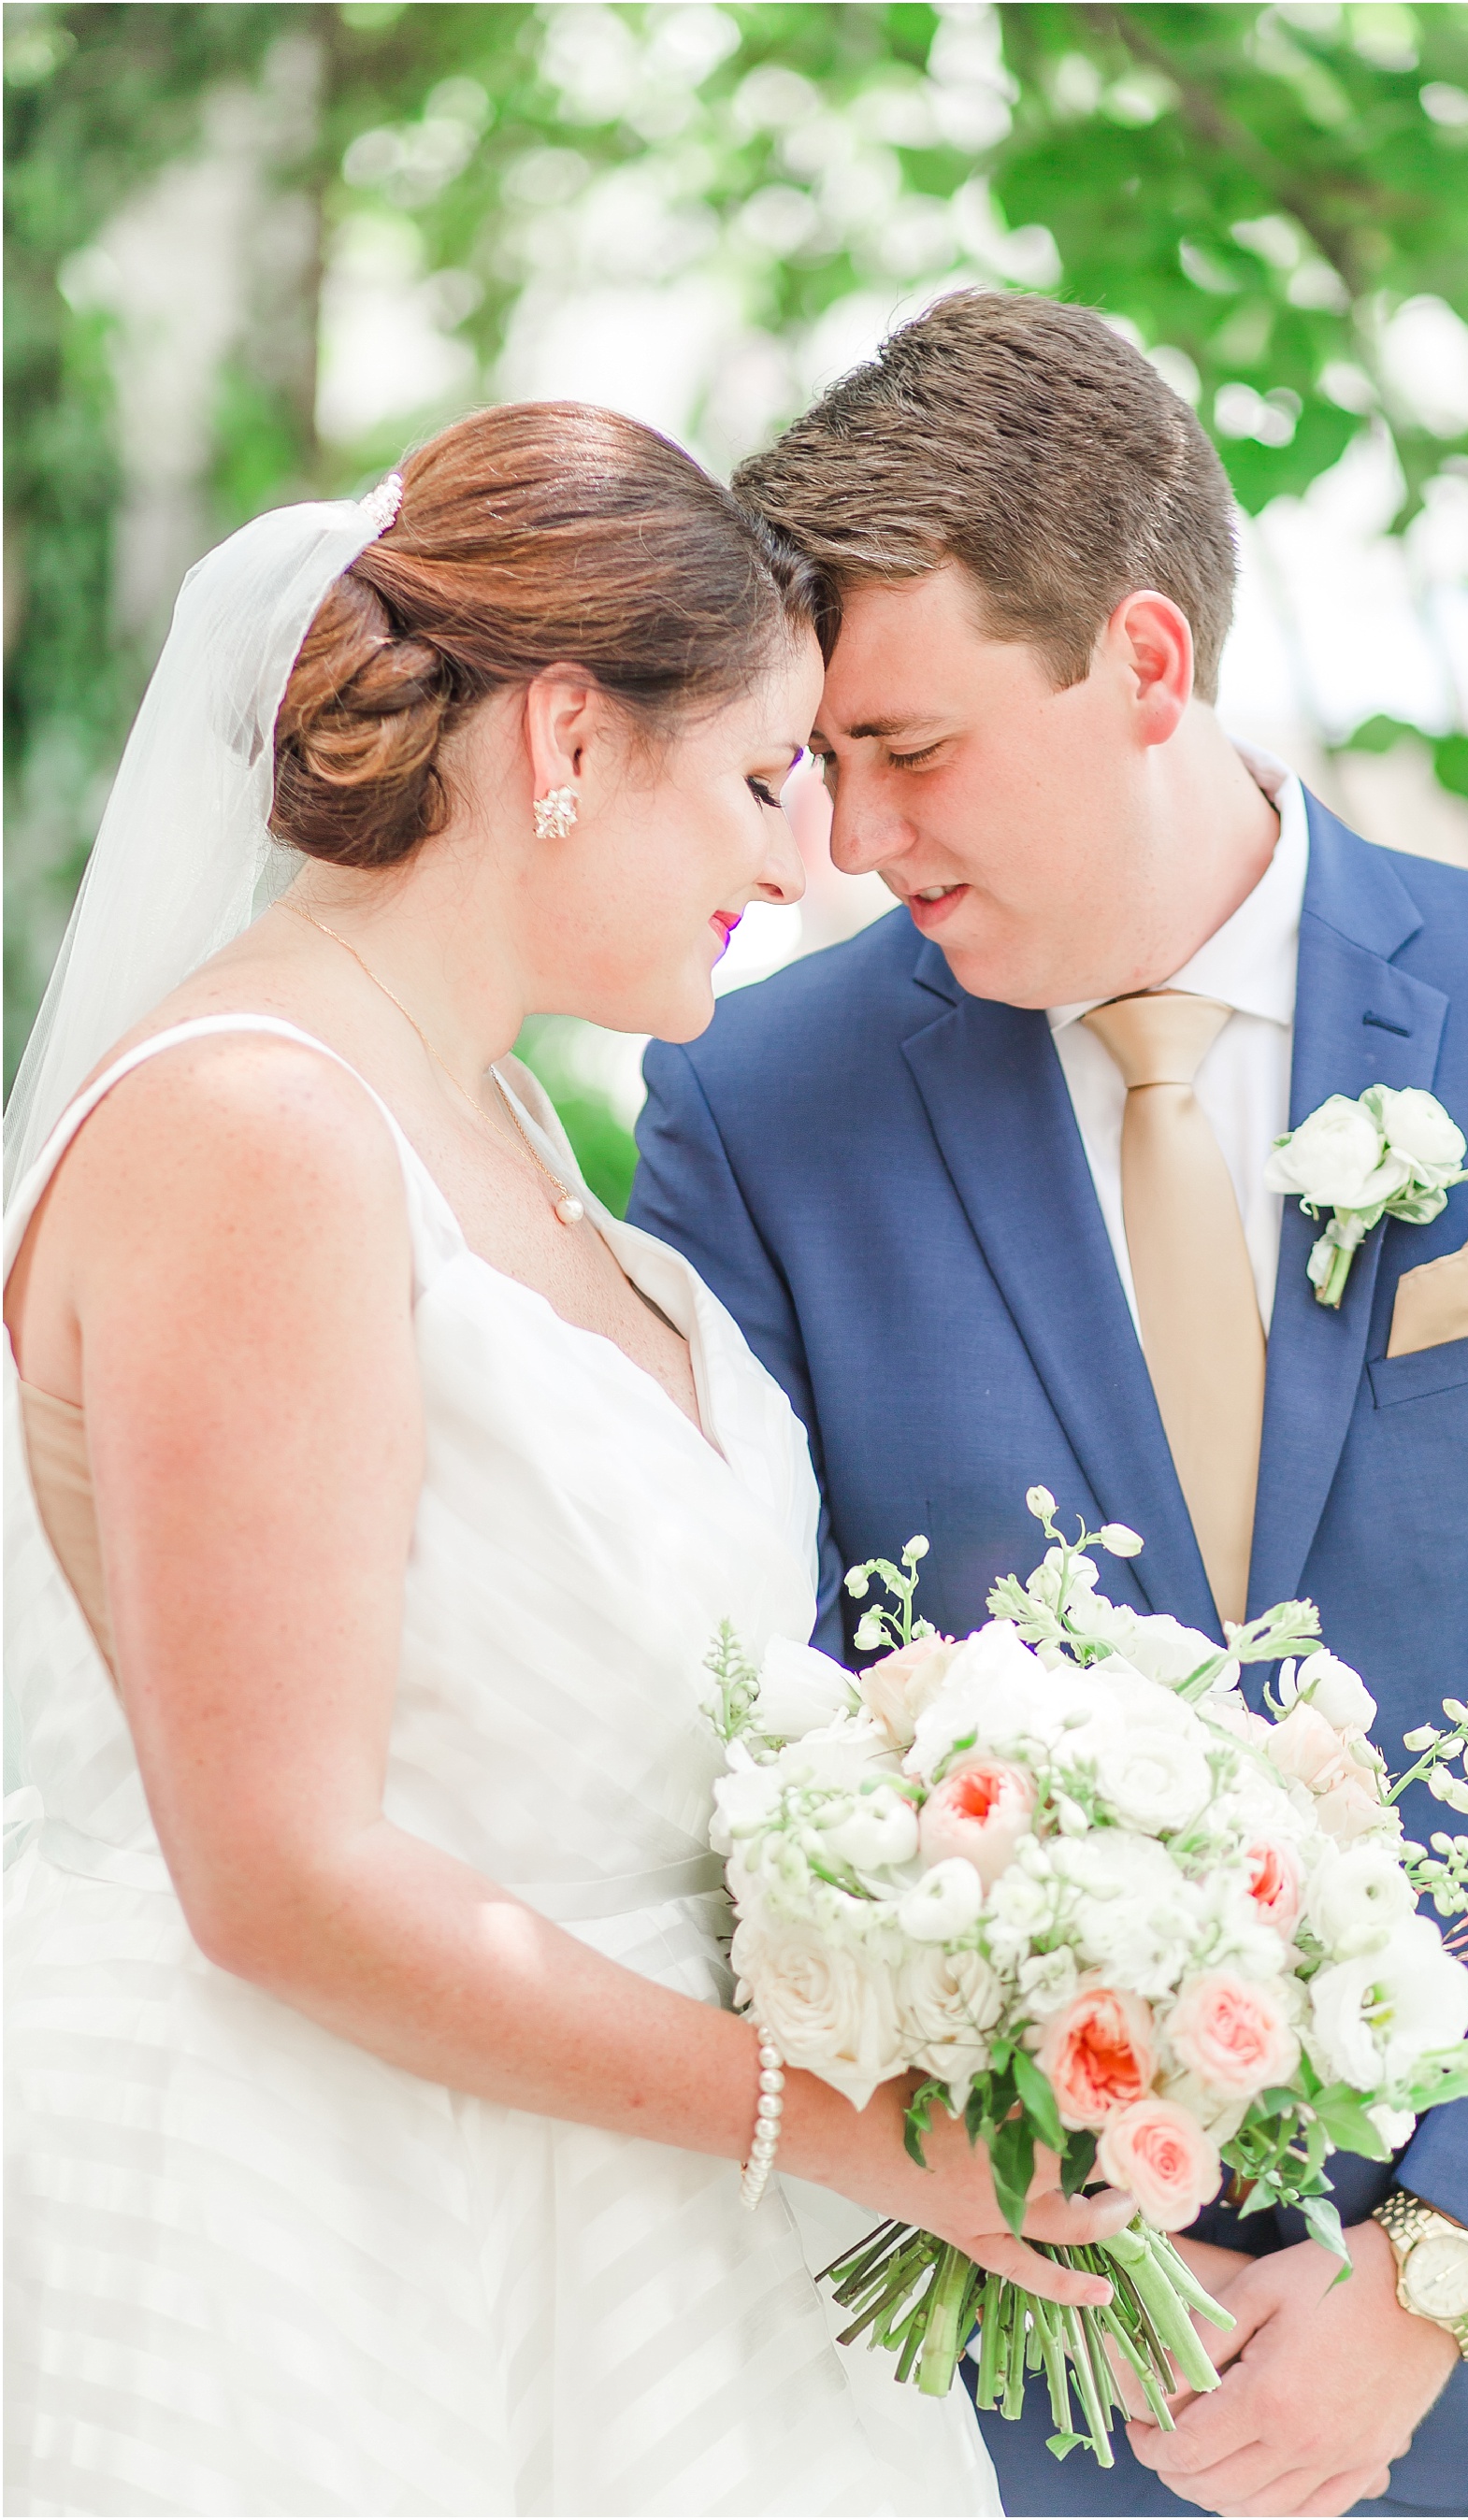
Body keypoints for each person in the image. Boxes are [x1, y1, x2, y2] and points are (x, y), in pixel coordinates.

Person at [2, 398, 1141, 2518]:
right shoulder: (257, 1132)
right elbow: (279, 1874)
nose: (800, 858)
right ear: (563, 740)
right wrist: (846, 2121)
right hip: (334, 2237)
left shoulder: (491, 1114)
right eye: (764, 773)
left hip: (622, 2223)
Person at [629, 293, 1468, 2520]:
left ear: (1141, 664)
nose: (846, 840)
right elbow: (742, 1714)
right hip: (991, 2376)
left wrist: (1440, 2269)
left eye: (908, 748)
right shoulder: (753, 1113)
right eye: (815, 762)